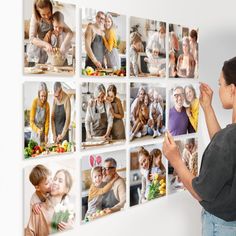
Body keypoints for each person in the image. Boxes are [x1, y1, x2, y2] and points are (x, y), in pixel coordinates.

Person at [163, 57, 236, 236]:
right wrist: (207, 108)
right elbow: (226, 150)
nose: (218, 89)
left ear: (232, 90)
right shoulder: (228, 139)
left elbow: (200, 192)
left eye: (220, 84)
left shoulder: (226, 141)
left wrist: (176, 160)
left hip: (222, 227)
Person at [25, 169, 74, 235]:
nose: (55, 182)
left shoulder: (69, 212)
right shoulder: (38, 209)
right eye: (55, 179)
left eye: (60, 181)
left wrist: (71, 229)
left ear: (66, 189)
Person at [27, 0, 53, 64]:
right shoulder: (35, 17)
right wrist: (45, 44)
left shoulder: (55, 15)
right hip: (36, 51)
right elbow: (32, 38)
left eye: (49, 13)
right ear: (38, 12)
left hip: (49, 51)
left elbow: (67, 31)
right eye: (43, 14)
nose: (47, 16)